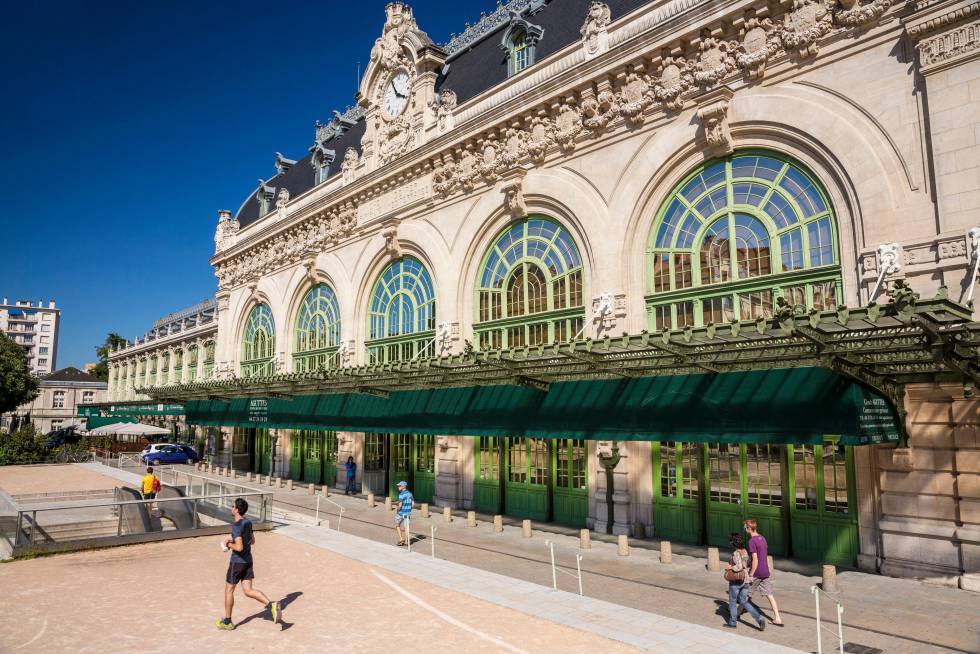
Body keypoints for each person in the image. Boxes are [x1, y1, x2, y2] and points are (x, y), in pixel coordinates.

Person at [216, 497, 281, 630]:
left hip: (237, 562)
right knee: (248, 591)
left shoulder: (236, 526)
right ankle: (271, 605)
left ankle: (227, 622)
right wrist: (234, 540)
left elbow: (239, 547)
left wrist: (228, 544)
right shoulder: (248, 522)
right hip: (248, 561)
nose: (231, 508)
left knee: (229, 590)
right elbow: (252, 541)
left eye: (233, 506)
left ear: (237, 510)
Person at [745, 518, 784, 626]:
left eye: (745, 527)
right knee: (770, 595)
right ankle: (778, 618)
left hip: (757, 572)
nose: (744, 529)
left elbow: (755, 559)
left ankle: (736, 614)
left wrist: (751, 574)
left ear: (748, 528)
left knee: (746, 594)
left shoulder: (751, 541)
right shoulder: (762, 538)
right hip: (765, 571)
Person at [724, 532, 766, 630]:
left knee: (733, 601)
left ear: (733, 543)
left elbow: (739, 567)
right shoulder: (745, 551)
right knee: (744, 601)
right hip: (746, 580)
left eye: (730, 541)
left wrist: (730, 567)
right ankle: (759, 618)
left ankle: (732, 622)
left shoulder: (736, 553)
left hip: (737, 580)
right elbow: (747, 564)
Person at [393, 480, 414, 546]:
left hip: (401, 513)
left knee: (397, 525)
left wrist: (397, 510)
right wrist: (409, 510)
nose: (398, 487)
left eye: (399, 486)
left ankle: (401, 539)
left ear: (403, 486)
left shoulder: (401, 495)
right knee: (406, 527)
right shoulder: (410, 494)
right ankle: (406, 541)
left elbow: (400, 505)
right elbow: (413, 504)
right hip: (407, 513)